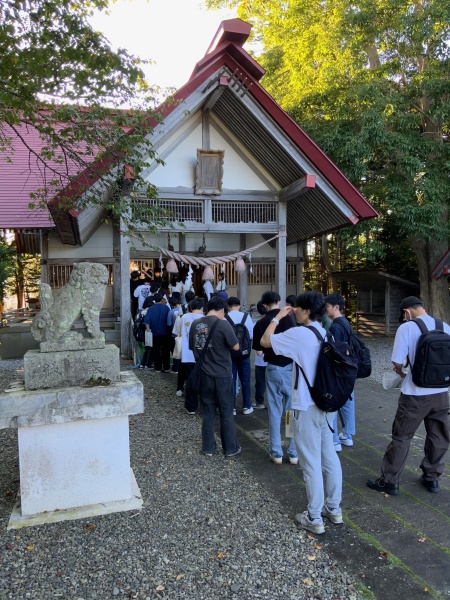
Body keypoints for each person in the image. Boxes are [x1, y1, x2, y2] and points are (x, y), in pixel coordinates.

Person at [261, 291, 343, 535]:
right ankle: (334, 508)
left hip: (306, 406)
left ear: (306, 310)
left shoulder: (299, 334)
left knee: (310, 463)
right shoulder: (324, 332)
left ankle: (314, 516)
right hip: (327, 405)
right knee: (329, 457)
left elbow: (266, 342)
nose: (293, 311)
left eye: (296, 308)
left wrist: (276, 318)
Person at [367, 296, 450, 496]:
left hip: (414, 394)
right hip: (441, 393)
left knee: (402, 436)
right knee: (439, 437)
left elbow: (397, 360)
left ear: (407, 312)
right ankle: (432, 479)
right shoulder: (445, 326)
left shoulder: (407, 328)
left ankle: (389, 481)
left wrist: (403, 372)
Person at [189, 295, 241, 457]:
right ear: (221, 310)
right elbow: (236, 346)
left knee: (207, 412)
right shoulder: (223, 325)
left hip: (204, 374)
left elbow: (192, 347)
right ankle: (230, 448)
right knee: (226, 411)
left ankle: (208, 448)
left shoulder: (195, 324)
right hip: (223, 374)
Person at [252, 291, 298, 465]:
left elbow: (258, 348)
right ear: (279, 302)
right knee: (291, 412)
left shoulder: (262, 323)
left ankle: (276, 452)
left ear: (264, 305)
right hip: (290, 368)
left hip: (272, 368)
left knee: (274, 411)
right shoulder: (290, 320)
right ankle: (293, 452)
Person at [324, 292, 356, 452]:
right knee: (348, 400)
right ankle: (348, 435)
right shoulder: (345, 322)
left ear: (336, 307)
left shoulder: (335, 326)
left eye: (328, 306)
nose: (326, 309)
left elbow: (335, 350)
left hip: (339, 369)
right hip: (349, 367)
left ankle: (335, 440)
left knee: (334, 403)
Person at [226, 296, 254, 415]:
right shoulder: (246, 317)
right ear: (238, 305)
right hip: (244, 354)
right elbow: (251, 336)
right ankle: (247, 406)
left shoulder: (225, 318)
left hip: (230, 354)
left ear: (228, 306)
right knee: (245, 380)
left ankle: (232, 407)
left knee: (231, 380)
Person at [176, 298, 204, 411]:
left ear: (190, 308)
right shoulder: (205, 318)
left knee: (190, 381)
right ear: (202, 308)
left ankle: (191, 407)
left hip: (187, 354)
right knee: (203, 380)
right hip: (202, 355)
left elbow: (179, 333)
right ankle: (205, 406)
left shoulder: (184, 317)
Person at [144, 292, 171, 373]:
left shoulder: (151, 309)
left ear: (154, 300)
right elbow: (169, 321)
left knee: (156, 350)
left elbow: (147, 322)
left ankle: (157, 367)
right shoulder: (166, 308)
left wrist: (148, 330)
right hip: (166, 332)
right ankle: (166, 367)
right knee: (166, 350)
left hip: (155, 332)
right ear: (161, 299)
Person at [252, 300, 267, 410]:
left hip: (261, 359)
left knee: (260, 382)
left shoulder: (257, 324)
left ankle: (260, 402)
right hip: (275, 358)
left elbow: (258, 350)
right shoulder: (277, 322)